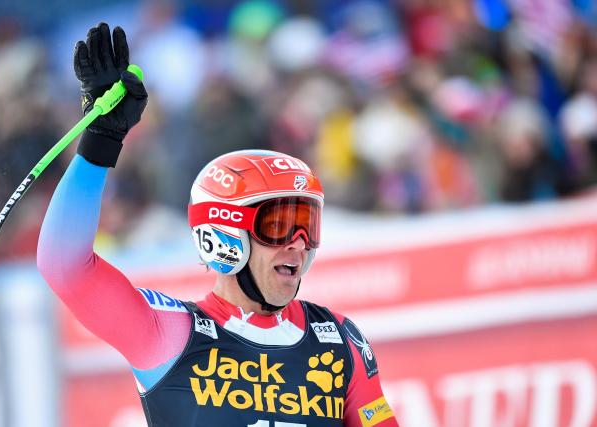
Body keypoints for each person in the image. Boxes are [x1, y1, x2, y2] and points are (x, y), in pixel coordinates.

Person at [37, 22, 399, 427]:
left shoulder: (339, 341)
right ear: (224, 235)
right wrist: (100, 141)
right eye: (278, 225)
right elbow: (65, 267)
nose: (298, 243)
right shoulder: (170, 333)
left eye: (307, 225)